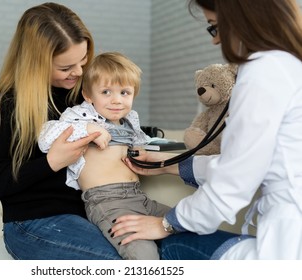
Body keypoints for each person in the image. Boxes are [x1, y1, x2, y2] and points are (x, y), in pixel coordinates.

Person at [111, 0, 302, 260]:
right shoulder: (290, 64)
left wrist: (167, 223)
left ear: (242, 18)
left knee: (170, 246)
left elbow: (233, 180)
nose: (215, 40)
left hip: (285, 248)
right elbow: (247, 163)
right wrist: (171, 165)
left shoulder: (264, 70)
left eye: (215, 27)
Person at [0, 2, 122, 260]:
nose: (79, 72)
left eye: (83, 59)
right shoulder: (5, 107)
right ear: (35, 63)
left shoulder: (83, 95)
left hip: (91, 211)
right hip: (32, 222)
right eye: (65, 68)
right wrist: (51, 162)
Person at [38, 52, 171, 260]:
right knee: (143, 254)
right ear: (88, 95)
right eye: (106, 92)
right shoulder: (81, 116)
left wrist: (175, 148)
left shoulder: (129, 120)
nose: (117, 100)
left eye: (125, 93)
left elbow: (145, 143)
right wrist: (87, 128)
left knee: (186, 221)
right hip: (108, 202)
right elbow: (45, 138)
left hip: (139, 197)